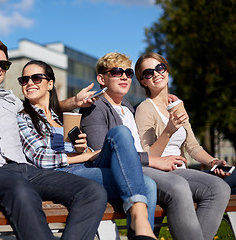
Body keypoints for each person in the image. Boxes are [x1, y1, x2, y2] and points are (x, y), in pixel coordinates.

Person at [0, 36, 108, 240]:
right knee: (22, 191)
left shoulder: (12, 100)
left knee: (92, 192)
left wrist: (75, 101)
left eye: (3, 64)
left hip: (26, 169)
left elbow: (46, 106)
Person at [80, 52, 231, 240]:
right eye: (117, 72)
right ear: (101, 79)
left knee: (220, 187)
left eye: (128, 72)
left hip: (154, 167)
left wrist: (214, 161)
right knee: (177, 185)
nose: (124, 76)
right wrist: (155, 158)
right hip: (133, 171)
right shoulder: (95, 107)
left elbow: (193, 146)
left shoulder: (127, 107)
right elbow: (104, 154)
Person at [16, 60, 157, 240]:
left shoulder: (61, 118)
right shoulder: (24, 116)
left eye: (36, 78)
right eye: (24, 80)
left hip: (85, 165)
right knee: (147, 186)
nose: (29, 83)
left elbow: (81, 150)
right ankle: (142, 230)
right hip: (64, 173)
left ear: (50, 84)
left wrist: (83, 147)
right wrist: (85, 155)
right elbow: (40, 158)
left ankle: (140, 229)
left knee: (120, 132)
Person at [134, 52, 236, 194]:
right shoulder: (144, 108)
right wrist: (168, 131)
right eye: (148, 73)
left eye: (160, 68)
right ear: (143, 81)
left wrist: (214, 162)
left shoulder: (177, 105)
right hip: (167, 177)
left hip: (186, 173)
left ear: (167, 70)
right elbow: (147, 156)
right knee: (219, 187)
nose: (156, 74)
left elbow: (193, 147)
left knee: (233, 176)